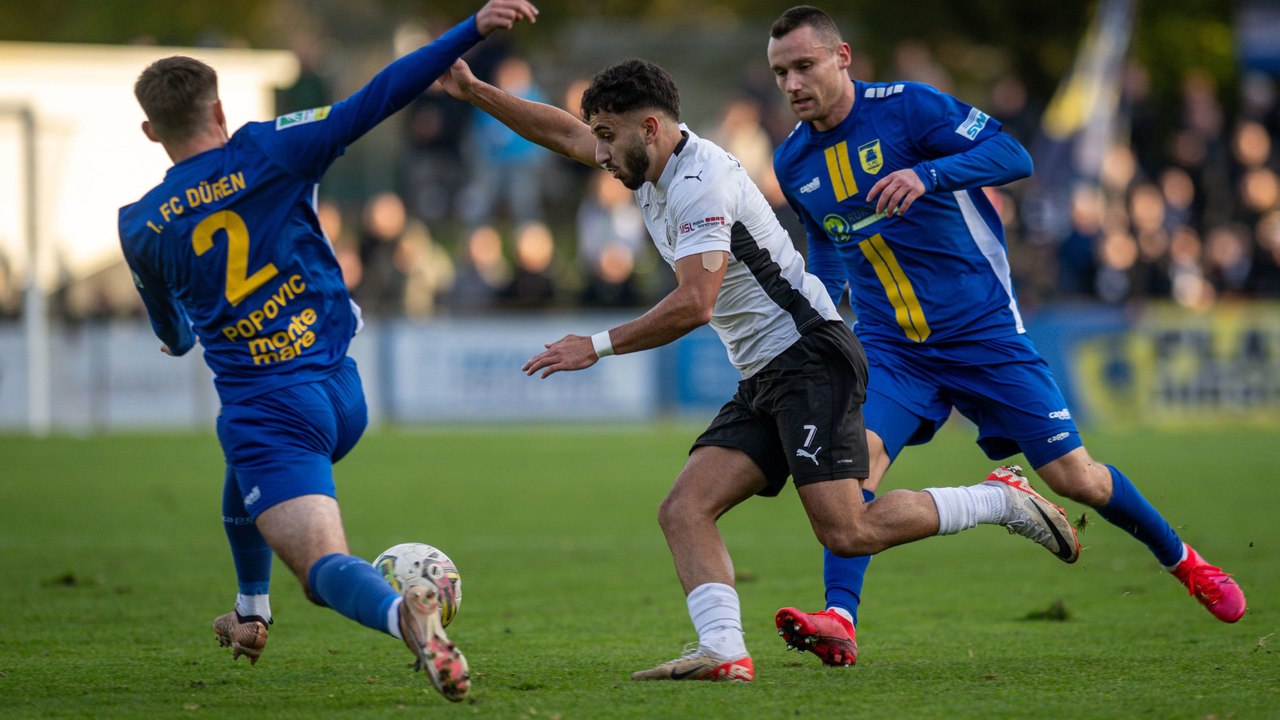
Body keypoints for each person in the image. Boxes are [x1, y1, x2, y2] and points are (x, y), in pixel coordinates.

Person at [439, 56, 1081, 683]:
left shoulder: (699, 182)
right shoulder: (644, 160)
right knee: (684, 508)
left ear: (651, 128)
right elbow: (560, 131)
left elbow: (696, 303)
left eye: (608, 138)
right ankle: (722, 650)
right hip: (766, 374)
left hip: (812, 359)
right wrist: (475, 92)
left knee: (848, 530)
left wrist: (597, 345)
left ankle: (1000, 499)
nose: (599, 154)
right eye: (599, 137)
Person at [764, 5, 1247, 668]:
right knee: (854, 475)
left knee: (1076, 478)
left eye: (804, 65)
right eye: (781, 72)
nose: (792, 83)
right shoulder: (793, 161)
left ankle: (1184, 561)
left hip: (983, 332)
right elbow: (823, 241)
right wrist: (820, 319)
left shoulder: (907, 108)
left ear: (842, 58)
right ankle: (840, 618)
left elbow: (1013, 154)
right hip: (893, 348)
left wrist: (928, 173)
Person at [116, 0, 538, 702]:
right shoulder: (271, 147)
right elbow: (379, 96)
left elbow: (172, 335)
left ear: (150, 131)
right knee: (244, 467)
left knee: (323, 569)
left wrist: (193, 324)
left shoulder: (139, 225)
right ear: (218, 108)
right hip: (343, 393)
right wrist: (471, 28)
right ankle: (252, 611)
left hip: (271, 408)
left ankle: (406, 615)